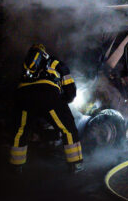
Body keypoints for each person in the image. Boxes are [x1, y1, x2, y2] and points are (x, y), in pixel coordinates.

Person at [10, 44, 84, 173]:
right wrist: (64, 101)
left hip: (23, 96)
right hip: (47, 94)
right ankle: (75, 164)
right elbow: (69, 88)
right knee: (68, 129)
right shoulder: (55, 62)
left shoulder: (25, 65)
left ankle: (16, 166)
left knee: (21, 131)